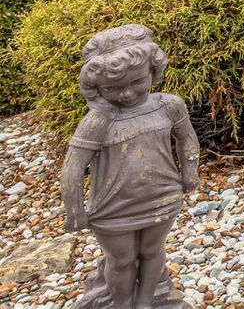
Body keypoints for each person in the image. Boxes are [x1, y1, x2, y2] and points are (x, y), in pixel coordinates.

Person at [59, 25, 199, 309]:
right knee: (121, 260)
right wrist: (74, 210)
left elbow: (187, 139)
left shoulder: (169, 106)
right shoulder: (98, 121)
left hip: (163, 196)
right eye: (113, 88)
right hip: (113, 207)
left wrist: (190, 172)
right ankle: (122, 304)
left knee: (152, 250)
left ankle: (146, 302)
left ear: (153, 71)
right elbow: (73, 167)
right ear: (96, 87)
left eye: (136, 82)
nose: (125, 94)